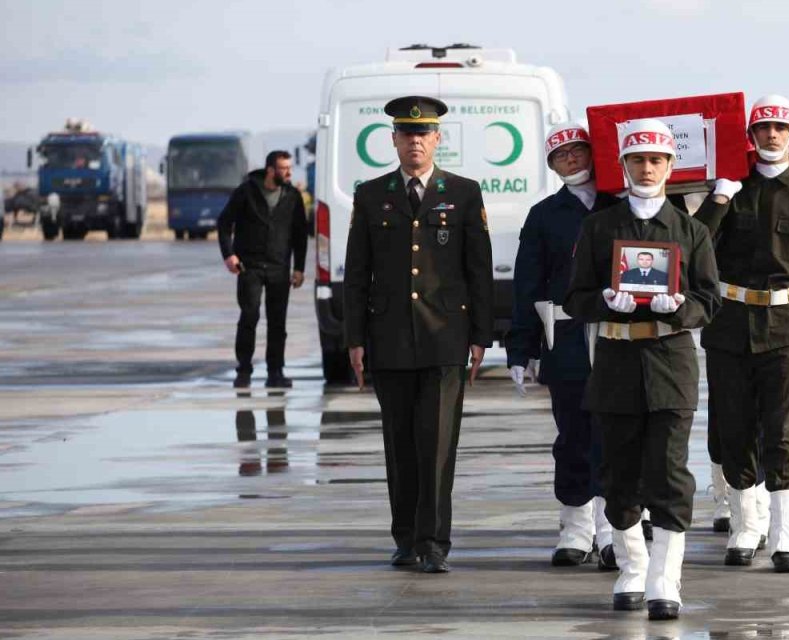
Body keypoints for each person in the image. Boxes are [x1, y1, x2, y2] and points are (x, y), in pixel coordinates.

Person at [564, 118, 720, 621]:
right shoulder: (599, 228)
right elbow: (574, 297)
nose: (647, 168)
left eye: (656, 160)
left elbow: (710, 300)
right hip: (615, 364)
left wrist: (681, 307)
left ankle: (664, 578)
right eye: (637, 160)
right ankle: (632, 567)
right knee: (618, 473)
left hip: (670, 363)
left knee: (670, 473)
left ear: (671, 166)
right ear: (623, 165)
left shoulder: (691, 231)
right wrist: (605, 301)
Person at [343, 96, 494, 575]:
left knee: (438, 445)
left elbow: (479, 270)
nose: (415, 141)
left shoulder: (464, 193)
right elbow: (356, 273)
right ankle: (405, 539)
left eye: (423, 134)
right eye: (407, 134)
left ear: (437, 139)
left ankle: (433, 543)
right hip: (388, 337)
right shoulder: (371, 195)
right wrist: (354, 338)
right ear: (393, 140)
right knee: (399, 444)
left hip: (445, 337)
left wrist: (481, 335)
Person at [693, 94, 789, 574]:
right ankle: (745, 525)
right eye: (763, 127)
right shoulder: (731, 189)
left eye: (780, 127)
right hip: (730, 324)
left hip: (786, 327)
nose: (771, 134)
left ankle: (785, 533)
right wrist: (720, 197)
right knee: (734, 426)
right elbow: (693, 245)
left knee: (784, 431)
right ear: (751, 135)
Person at [508, 121, 621, 570]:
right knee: (573, 434)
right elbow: (527, 284)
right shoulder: (543, 215)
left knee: (613, 434)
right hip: (567, 337)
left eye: (577, 150)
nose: (570, 159)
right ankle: (576, 528)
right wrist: (521, 349)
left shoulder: (622, 204)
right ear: (551, 165)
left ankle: (614, 530)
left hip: (616, 335)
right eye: (561, 155)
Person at [216, 151, 308, 389]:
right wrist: (229, 255)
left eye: (290, 168)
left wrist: (299, 268)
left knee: (277, 322)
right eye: (284, 168)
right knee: (250, 316)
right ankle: (244, 370)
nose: (289, 173)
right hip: (250, 266)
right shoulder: (246, 191)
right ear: (270, 170)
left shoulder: (293, 196)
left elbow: (300, 234)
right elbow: (224, 223)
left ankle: (275, 372)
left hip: (279, 267)